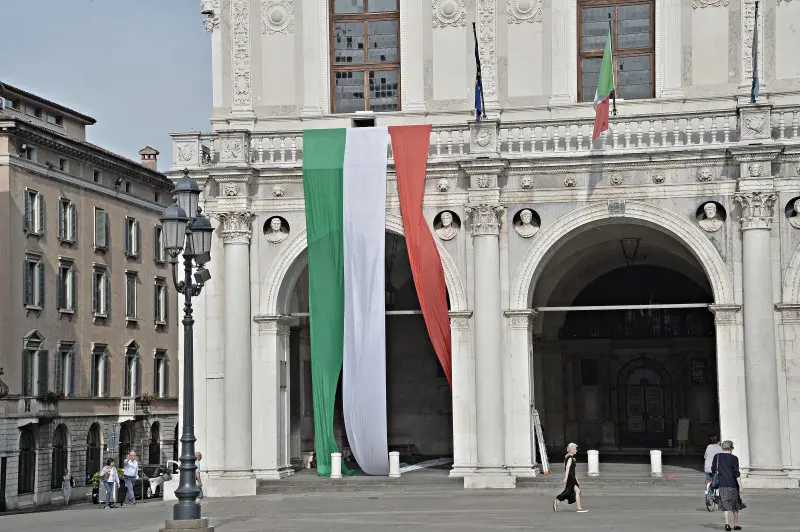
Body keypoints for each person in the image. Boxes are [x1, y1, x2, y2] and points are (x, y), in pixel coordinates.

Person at [711, 440, 745, 531]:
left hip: (722, 484)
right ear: (731, 448)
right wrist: (740, 485)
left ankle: (727, 524)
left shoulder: (717, 457)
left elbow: (713, 469)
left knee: (725, 504)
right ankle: (736, 525)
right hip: (733, 484)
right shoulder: (734, 458)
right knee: (735, 504)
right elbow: (736, 473)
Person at [553, 442, 587, 513]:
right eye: (575, 449)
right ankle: (579, 508)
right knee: (572, 491)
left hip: (571, 477)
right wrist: (566, 477)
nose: (576, 450)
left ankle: (557, 501)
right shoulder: (570, 458)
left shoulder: (567, 456)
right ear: (571, 450)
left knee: (572, 491)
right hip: (571, 477)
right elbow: (567, 468)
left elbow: (564, 467)